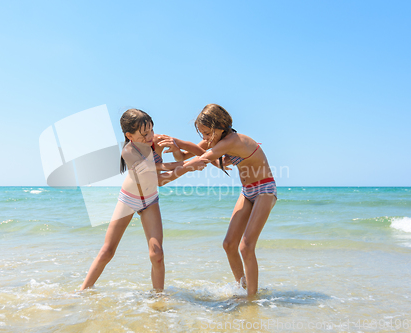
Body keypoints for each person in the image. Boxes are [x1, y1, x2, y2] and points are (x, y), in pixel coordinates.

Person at [80, 108, 208, 292]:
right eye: (144, 134)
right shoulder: (128, 152)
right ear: (129, 135)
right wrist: (187, 166)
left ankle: (157, 299)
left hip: (150, 200)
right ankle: (82, 292)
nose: (150, 137)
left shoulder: (157, 140)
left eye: (151, 131)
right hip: (129, 200)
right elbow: (156, 172)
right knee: (107, 251)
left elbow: (189, 148)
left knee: (157, 254)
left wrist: (211, 155)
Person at [159, 104, 277, 297]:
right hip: (247, 191)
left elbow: (201, 158)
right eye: (202, 134)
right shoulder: (217, 139)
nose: (205, 139)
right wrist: (174, 146)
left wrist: (163, 174)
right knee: (229, 244)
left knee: (246, 247)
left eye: (207, 133)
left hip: (265, 189)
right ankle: (244, 288)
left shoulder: (232, 141)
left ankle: (251, 300)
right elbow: (187, 154)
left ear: (220, 127)